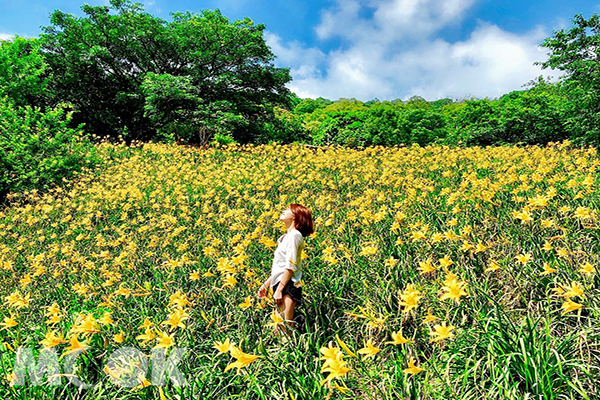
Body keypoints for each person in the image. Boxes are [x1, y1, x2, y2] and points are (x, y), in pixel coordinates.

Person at [257, 203, 314, 335]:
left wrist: (280, 289)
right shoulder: (284, 238)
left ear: (296, 217)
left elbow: (291, 265)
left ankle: (299, 353)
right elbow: (279, 267)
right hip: (281, 283)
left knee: (285, 326)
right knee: (278, 328)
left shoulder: (295, 235)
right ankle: (287, 352)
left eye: (288, 210)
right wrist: (266, 285)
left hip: (289, 284)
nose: (283, 210)